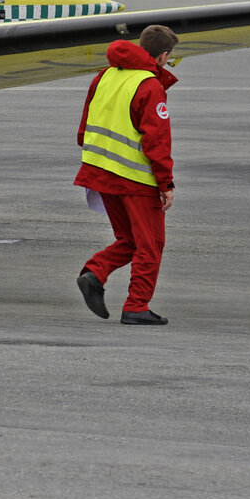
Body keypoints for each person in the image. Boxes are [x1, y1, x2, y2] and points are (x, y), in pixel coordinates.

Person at [74, 24, 178, 326]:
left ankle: (94, 273)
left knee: (129, 240)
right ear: (162, 56)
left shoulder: (104, 76)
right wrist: (165, 183)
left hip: (100, 173)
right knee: (151, 244)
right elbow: (156, 141)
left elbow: (84, 130)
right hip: (135, 179)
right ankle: (136, 306)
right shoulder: (149, 85)